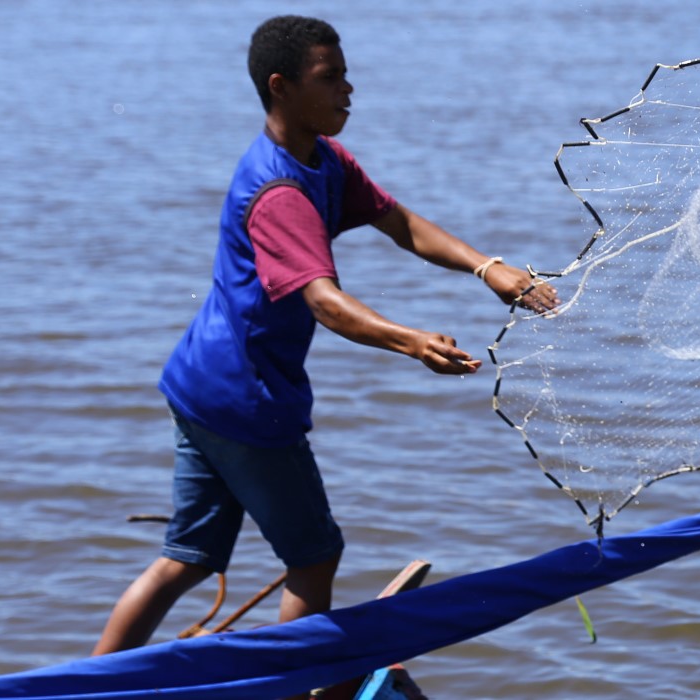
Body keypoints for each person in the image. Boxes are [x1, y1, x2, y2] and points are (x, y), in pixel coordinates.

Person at [94, 15, 556, 655]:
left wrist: (487, 267)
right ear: (280, 88)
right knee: (314, 556)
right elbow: (326, 304)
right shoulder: (280, 191)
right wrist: (411, 340)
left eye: (345, 74)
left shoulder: (323, 162)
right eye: (330, 77)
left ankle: (94, 683)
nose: (348, 89)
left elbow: (398, 222)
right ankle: (295, 688)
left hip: (198, 384)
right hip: (244, 400)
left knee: (191, 557)